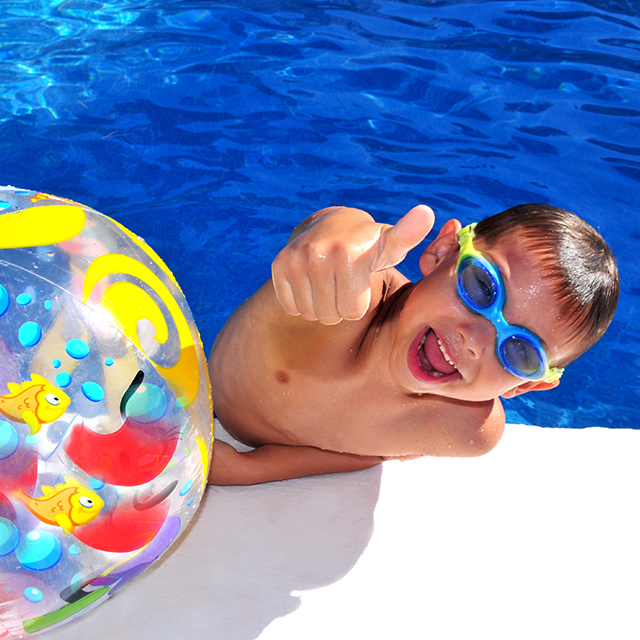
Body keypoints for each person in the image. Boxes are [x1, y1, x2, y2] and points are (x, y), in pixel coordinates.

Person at [207, 203, 618, 485]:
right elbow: (336, 235)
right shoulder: (344, 300)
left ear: (522, 387)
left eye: (520, 352)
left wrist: (252, 469)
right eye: (480, 286)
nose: (475, 340)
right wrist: (336, 238)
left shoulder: (462, 431)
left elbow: (369, 452)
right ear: (441, 253)